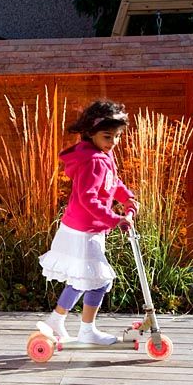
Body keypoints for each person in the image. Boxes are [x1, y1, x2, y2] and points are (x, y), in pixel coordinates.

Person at [39, 99, 138, 344]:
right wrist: (116, 219)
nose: (113, 142)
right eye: (107, 136)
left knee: (83, 278)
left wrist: (128, 199)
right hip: (84, 230)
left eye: (117, 136)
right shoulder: (93, 160)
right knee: (100, 281)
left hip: (83, 228)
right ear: (91, 133)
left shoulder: (101, 154)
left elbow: (113, 183)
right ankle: (87, 330)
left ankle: (56, 319)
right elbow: (88, 199)